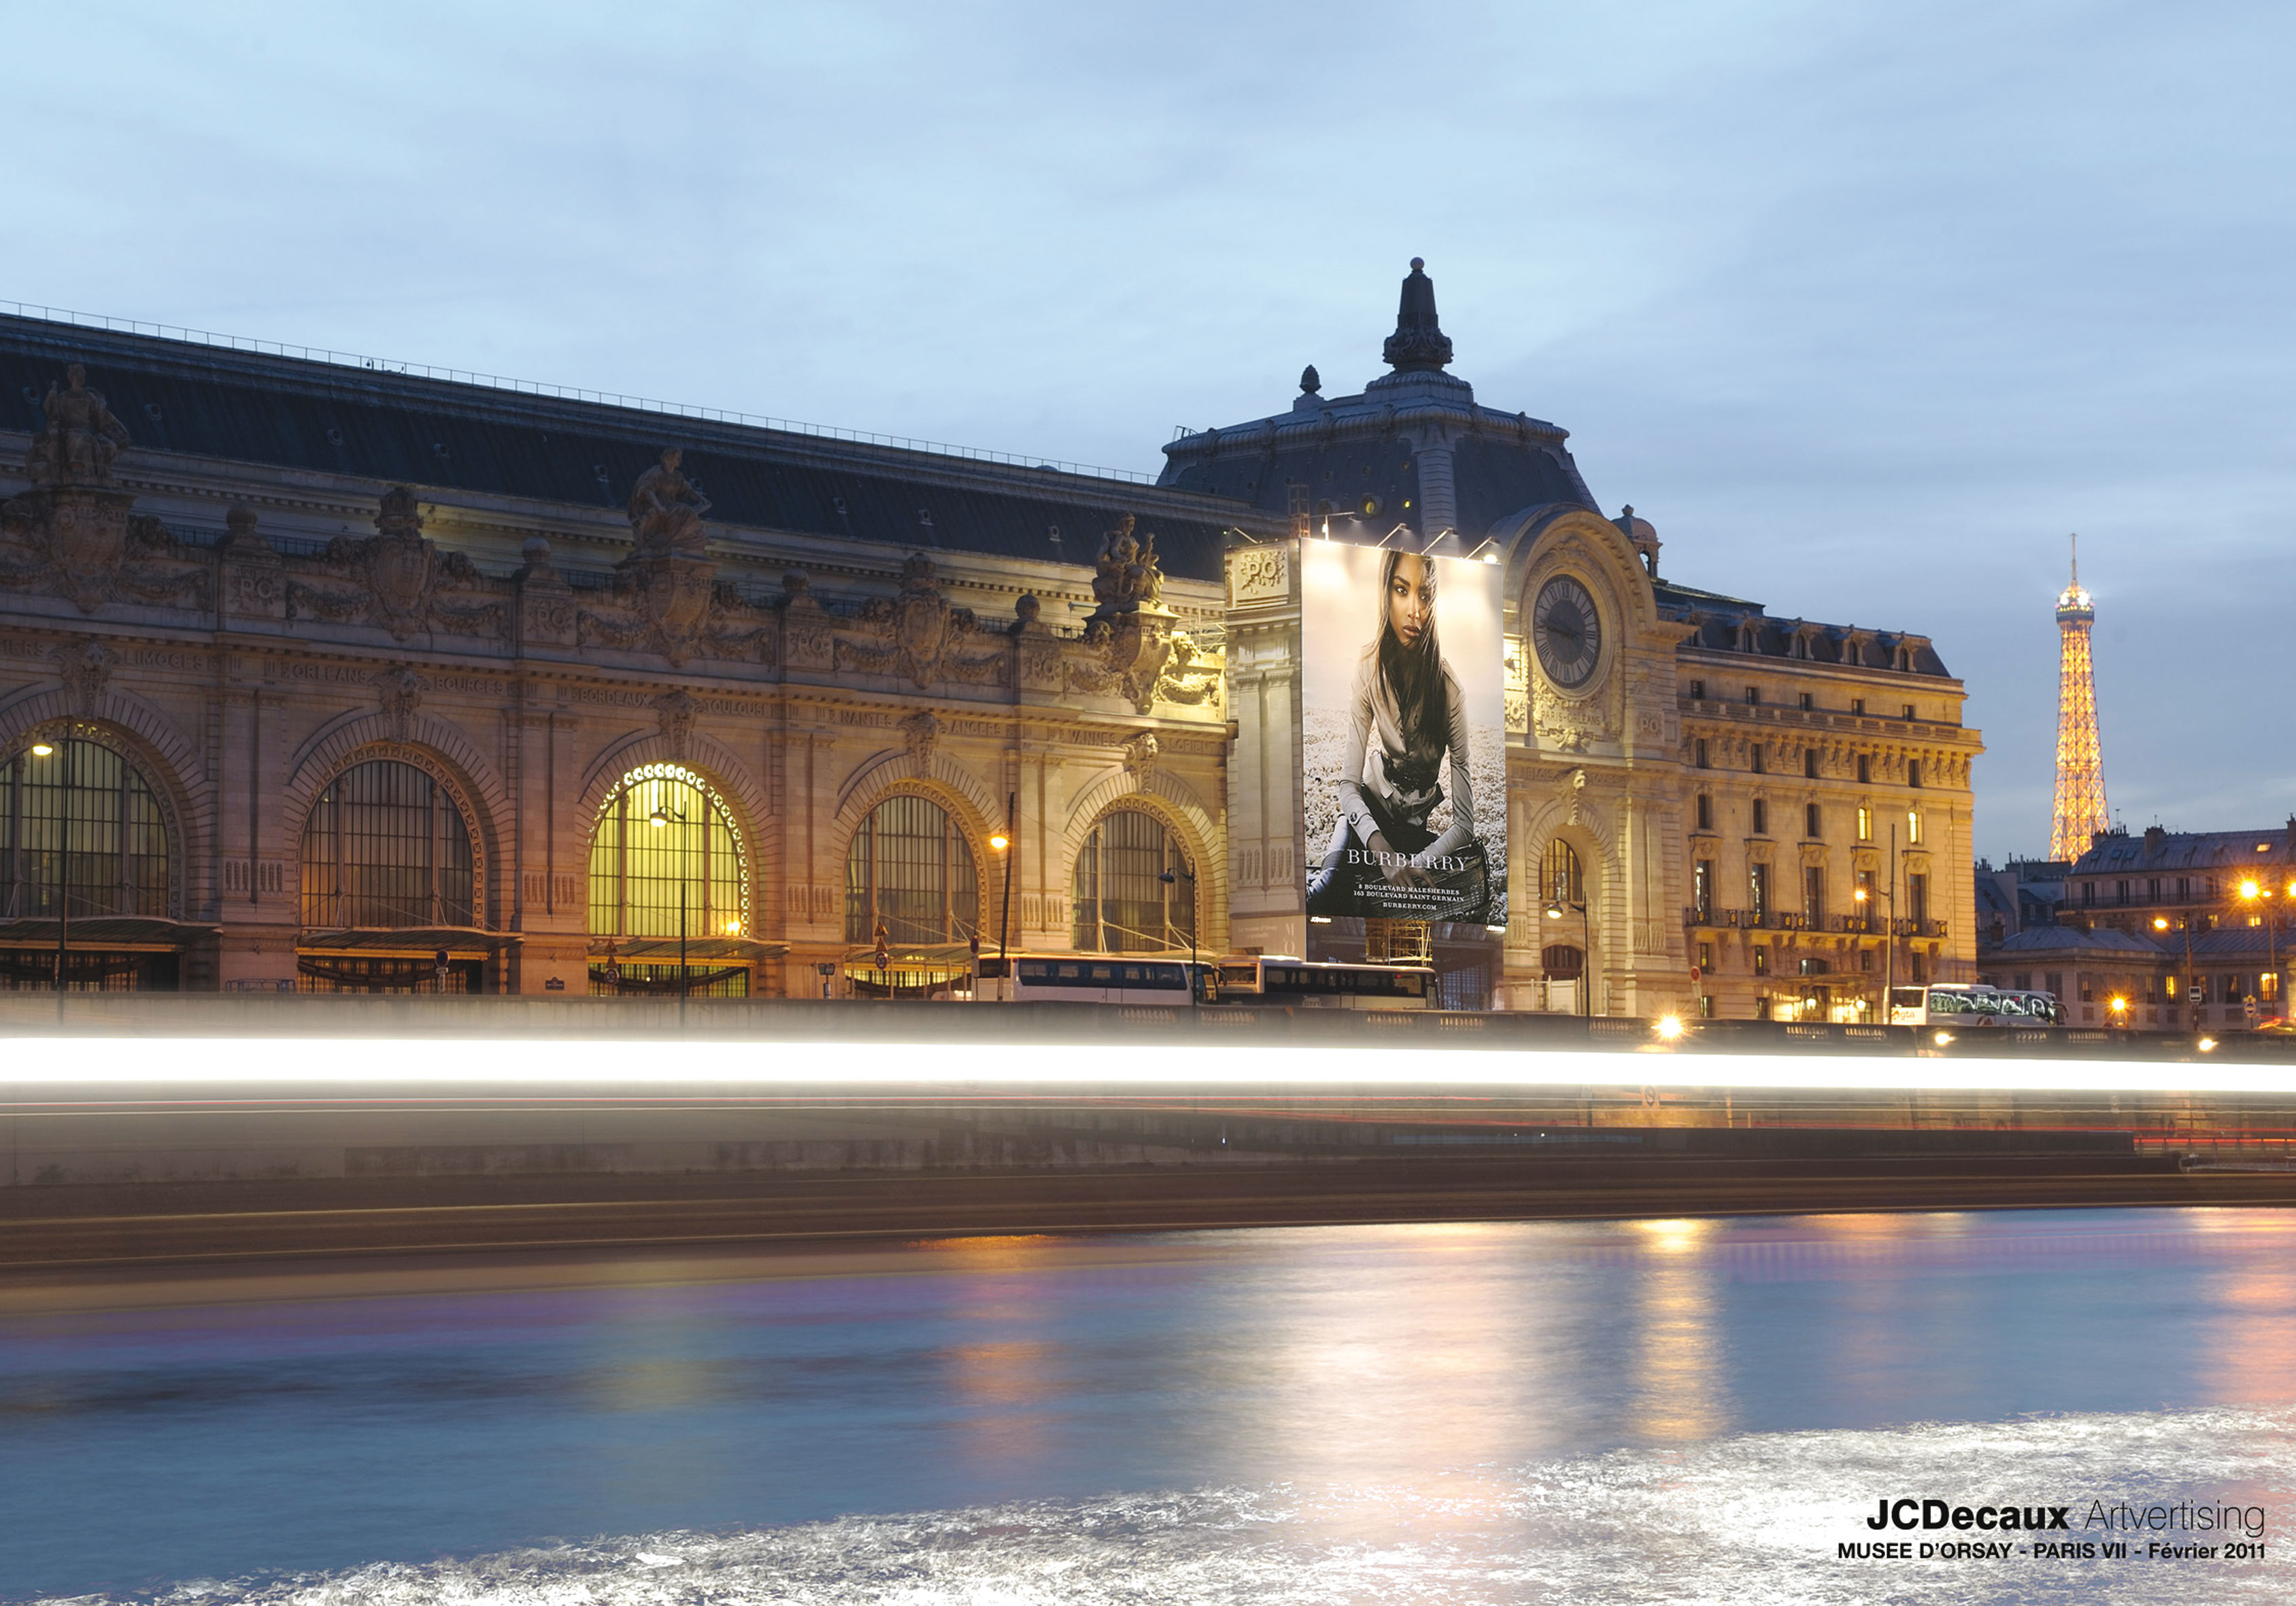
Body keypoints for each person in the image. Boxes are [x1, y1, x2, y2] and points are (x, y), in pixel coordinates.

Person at [1307, 550, 1485, 919]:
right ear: (1385, 592)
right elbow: (1347, 787)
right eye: (1402, 590)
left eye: (1424, 596)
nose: (1414, 610)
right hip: (1368, 819)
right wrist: (1383, 852)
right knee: (1324, 895)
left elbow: (1465, 825)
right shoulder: (1367, 668)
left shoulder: (1451, 692)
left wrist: (1418, 863)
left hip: (1415, 833)